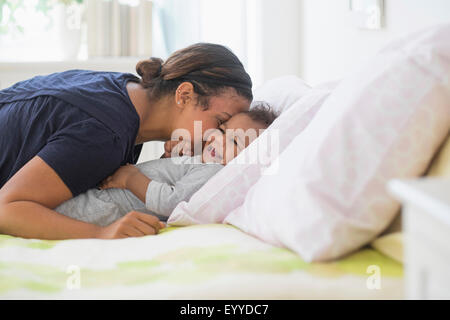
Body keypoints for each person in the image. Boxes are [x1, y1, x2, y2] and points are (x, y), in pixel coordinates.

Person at [0, 43, 252, 240]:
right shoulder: (107, 132)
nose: (217, 137)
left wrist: (169, 165)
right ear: (184, 95)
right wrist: (100, 234)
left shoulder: (128, 93)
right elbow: (6, 210)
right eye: (221, 122)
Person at [52, 104, 278, 237]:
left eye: (236, 142)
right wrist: (170, 159)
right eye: (222, 130)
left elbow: (171, 201)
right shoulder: (204, 162)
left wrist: (131, 178)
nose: (218, 141)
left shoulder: (213, 171)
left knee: (61, 213)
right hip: (108, 198)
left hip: (108, 207)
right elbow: (170, 181)